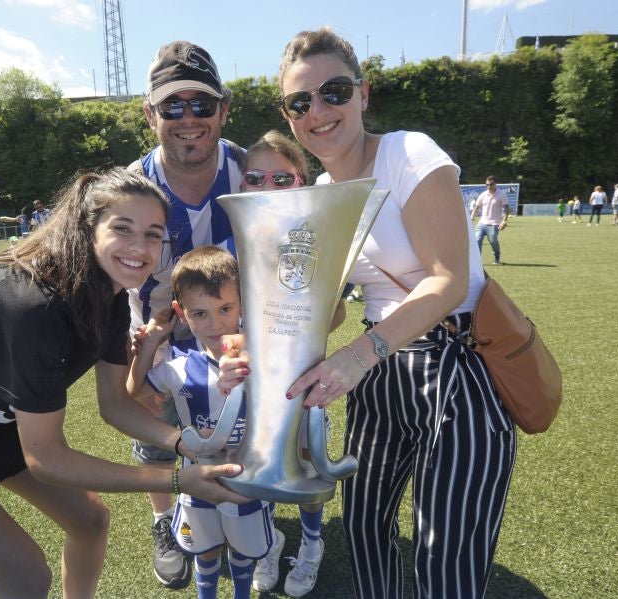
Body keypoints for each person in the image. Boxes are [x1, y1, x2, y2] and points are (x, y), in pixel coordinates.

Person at [0, 168, 246, 598]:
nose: (139, 248)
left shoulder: (108, 295)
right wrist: (178, 481)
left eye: (152, 234)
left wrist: (186, 443)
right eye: (122, 229)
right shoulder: (33, 304)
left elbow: (115, 404)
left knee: (89, 520)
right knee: (27, 577)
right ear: (88, 230)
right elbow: (47, 458)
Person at [221, 28, 518, 598]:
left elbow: (449, 280)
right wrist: (267, 350)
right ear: (289, 116)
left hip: (457, 365)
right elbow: (325, 310)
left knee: (445, 550)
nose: (319, 111)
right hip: (382, 373)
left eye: (333, 91)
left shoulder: (410, 152)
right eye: (300, 102)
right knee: (362, 529)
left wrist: (356, 359)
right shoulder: (327, 188)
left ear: (364, 93)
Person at [127, 39, 245, 590]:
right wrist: (130, 357)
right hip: (158, 335)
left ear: (223, 109)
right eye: (172, 106)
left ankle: (250, 509)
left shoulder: (251, 172)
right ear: (151, 115)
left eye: (201, 104)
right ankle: (162, 522)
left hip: (232, 331)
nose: (188, 118)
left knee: (242, 431)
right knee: (156, 434)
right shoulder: (131, 186)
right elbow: (104, 281)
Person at [128, 246, 274, 599]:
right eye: (201, 313)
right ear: (181, 313)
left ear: (242, 304)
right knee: (205, 552)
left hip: (249, 484)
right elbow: (134, 391)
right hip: (196, 484)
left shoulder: (265, 359)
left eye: (226, 308)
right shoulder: (178, 366)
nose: (216, 324)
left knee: (242, 554)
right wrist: (151, 342)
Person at [238, 130, 329, 597]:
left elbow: (335, 314)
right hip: (256, 377)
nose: (267, 187)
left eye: (281, 178)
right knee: (259, 459)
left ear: (301, 182)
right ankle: (270, 543)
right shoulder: (240, 235)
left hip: (303, 375)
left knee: (307, 461)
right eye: (255, 177)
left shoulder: (317, 231)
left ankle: (311, 545)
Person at [471, 175, 510, 265]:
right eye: (487, 185)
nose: (489, 186)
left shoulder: (501, 195)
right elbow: (477, 206)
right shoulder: (483, 194)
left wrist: (504, 220)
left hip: (494, 224)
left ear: (495, 184)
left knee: (493, 241)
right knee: (477, 241)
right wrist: (472, 216)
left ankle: (497, 257)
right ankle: (477, 262)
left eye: (491, 184)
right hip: (482, 223)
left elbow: (506, 208)